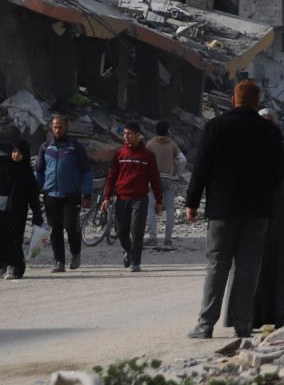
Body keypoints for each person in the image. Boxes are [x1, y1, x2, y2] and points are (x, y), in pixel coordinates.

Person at [183, 80, 284, 338]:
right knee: (248, 266)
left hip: (222, 208)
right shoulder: (269, 131)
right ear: (257, 101)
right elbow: (279, 171)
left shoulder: (215, 127)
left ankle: (206, 325)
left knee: (217, 264)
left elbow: (201, 168)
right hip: (258, 209)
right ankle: (243, 324)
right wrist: (264, 193)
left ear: (233, 100)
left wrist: (192, 202)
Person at [253, 116, 284, 331]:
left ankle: (281, 316)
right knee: (257, 268)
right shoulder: (249, 149)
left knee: (283, 267)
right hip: (256, 217)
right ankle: (255, 317)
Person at [34, 114, 92, 273]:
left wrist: (87, 194)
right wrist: (33, 191)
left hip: (71, 195)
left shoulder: (75, 147)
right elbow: (39, 172)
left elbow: (86, 171)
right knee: (54, 229)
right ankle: (59, 261)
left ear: (66, 127)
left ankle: (75, 253)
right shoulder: (45, 148)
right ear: (52, 128)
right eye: (55, 126)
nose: (58, 130)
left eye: (60, 126)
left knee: (70, 226)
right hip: (51, 195)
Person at [104, 122, 162, 272]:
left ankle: (136, 262)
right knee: (121, 230)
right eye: (124, 134)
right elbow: (111, 176)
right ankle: (128, 251)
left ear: (138, 135)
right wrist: (106, 196)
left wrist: (159, 201)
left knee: (137, 230)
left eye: (129, 134)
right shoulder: (120, 154)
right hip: (122, 197)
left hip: (140, 198)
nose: (126, 136)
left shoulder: (148, 155)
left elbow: (155, 179)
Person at [0, 140, 42, 280]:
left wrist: (37, 213)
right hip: (2, 209)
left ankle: (15, 267)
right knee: (2, 237)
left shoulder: (27, 173)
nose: (15, 155)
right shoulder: (3, 166)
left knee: (14, 239)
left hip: (18, 211)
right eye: (14, 151)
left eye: (19, 152)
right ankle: (3, 266)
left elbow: (33, 195)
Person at [146, 120, 184, 251]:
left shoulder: (150, 144)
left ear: (156, 131)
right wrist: (177, 173)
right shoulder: (173, 145)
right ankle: (167, 239)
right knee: (169, 209)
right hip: (169, 179)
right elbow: (182, 160)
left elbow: (144, 160)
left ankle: (152, 238)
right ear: (167, 131)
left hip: (153, 180)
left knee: (151, 208)